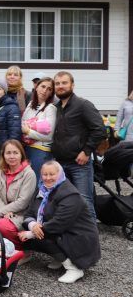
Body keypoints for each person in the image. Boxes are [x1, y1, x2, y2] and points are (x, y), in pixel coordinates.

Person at [19, 161, 101, 283]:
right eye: (44, 174)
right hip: (61, 231)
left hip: (79, 237)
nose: (47, 178)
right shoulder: (42, 190)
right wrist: (33, 225)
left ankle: (74, 268)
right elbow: (28, 213)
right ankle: (61, 258)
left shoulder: (70, 194)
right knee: (31, 235)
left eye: (52, 174)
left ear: (60, 174)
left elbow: (58, 224)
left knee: (38, 237)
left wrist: (31, 233)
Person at [51, 71, 105, 220]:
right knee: (65, 202)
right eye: (57, 83)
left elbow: (100, 130)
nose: (60, 86)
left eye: (64, 83)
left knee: (85, 201)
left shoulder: (83, 105)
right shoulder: (57, 108)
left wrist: (86, 151)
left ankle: (91, 241)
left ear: (72, 85)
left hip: (79, 164)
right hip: (60, 164)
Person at [0, 139, 37, 251]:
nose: (12, 156)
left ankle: (22, 251)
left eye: (15, 153)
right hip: (4, 215)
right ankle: (7, 249)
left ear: (21, 155)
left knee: (4, 226)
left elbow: (23, 202)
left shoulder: (29, 174)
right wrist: (3, 213)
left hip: (22, 214)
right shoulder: (0, 171)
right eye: (8, 153)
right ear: (3, 155)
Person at [22, 77, 57, 181]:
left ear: (51, 93)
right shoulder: (30, 105)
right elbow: (22, 124)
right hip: (27, 148)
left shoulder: (50, 108)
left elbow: (49, 136)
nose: (45, 90)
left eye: (49, 89)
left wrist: (28, 131)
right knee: (28, 182)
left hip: (41, 151)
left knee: (38, 182)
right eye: (43, 86)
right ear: (36, 87)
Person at [0, 78, 21, 164]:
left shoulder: (11, 107)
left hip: (4, 153)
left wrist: (10, 153)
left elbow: (15, 134)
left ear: (4, 91)